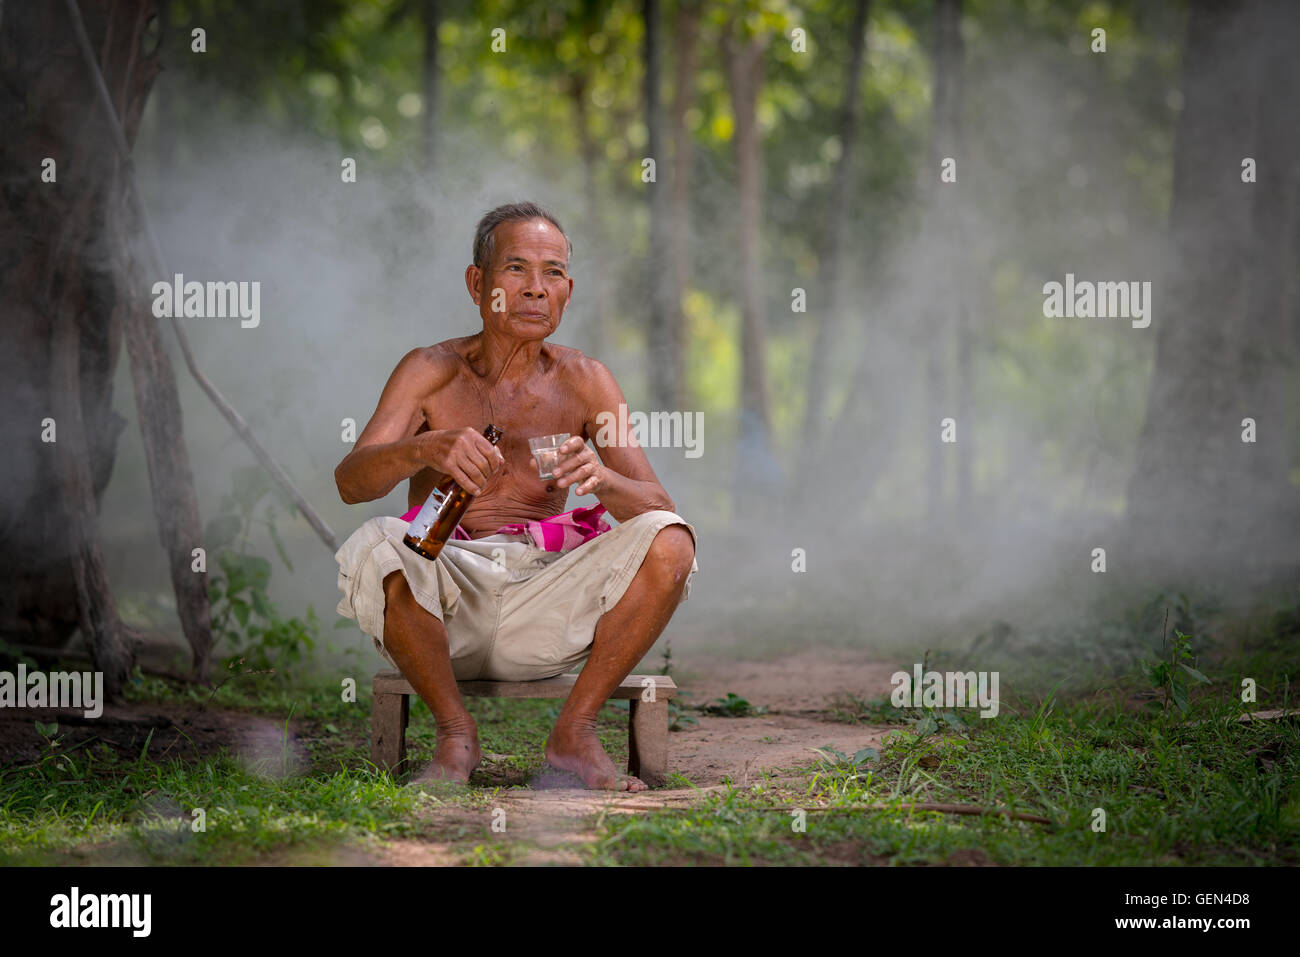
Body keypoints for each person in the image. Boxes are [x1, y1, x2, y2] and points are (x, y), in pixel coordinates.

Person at [333, 201, 698, 792]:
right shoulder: (430, 370)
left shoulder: (586, 379)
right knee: (379, 541)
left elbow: (657, 503)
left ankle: (574, 733)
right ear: (478, 283)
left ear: (568, 292)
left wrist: (602, 481)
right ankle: (455, 735)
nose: (535, 289)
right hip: (445, 605)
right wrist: (425, 450)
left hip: (547, 604)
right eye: (516, 269)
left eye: (552, 273)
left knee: (671, 541)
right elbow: (351, 482)